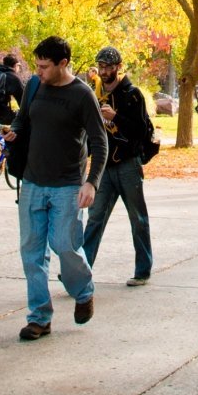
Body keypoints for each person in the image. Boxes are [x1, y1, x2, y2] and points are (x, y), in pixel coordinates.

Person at [5, 36, 108, 341]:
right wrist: (13, 133)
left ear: (63, 64)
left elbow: (100, 141)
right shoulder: (35, 87)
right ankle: (39, 317)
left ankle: (83, 290)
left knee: (64, 245)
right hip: (33, 182)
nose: (38, 72)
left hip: (66, 185)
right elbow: (22, 120)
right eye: (36, 65)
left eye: (44, 66)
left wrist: (92, 182)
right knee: (32, 253)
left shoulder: (82, 95)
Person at [82, 46, 157, 287]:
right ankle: (81, 270)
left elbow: (141, 130)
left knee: (137, 218)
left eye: (108, 67)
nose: (104, 71)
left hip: (128, 164)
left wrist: (116, 117)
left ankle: (142, 270)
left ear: (117, 67)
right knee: (95, 218)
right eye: (101, 67)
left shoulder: (132, 94)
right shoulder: (94, 95)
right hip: (104, 166)